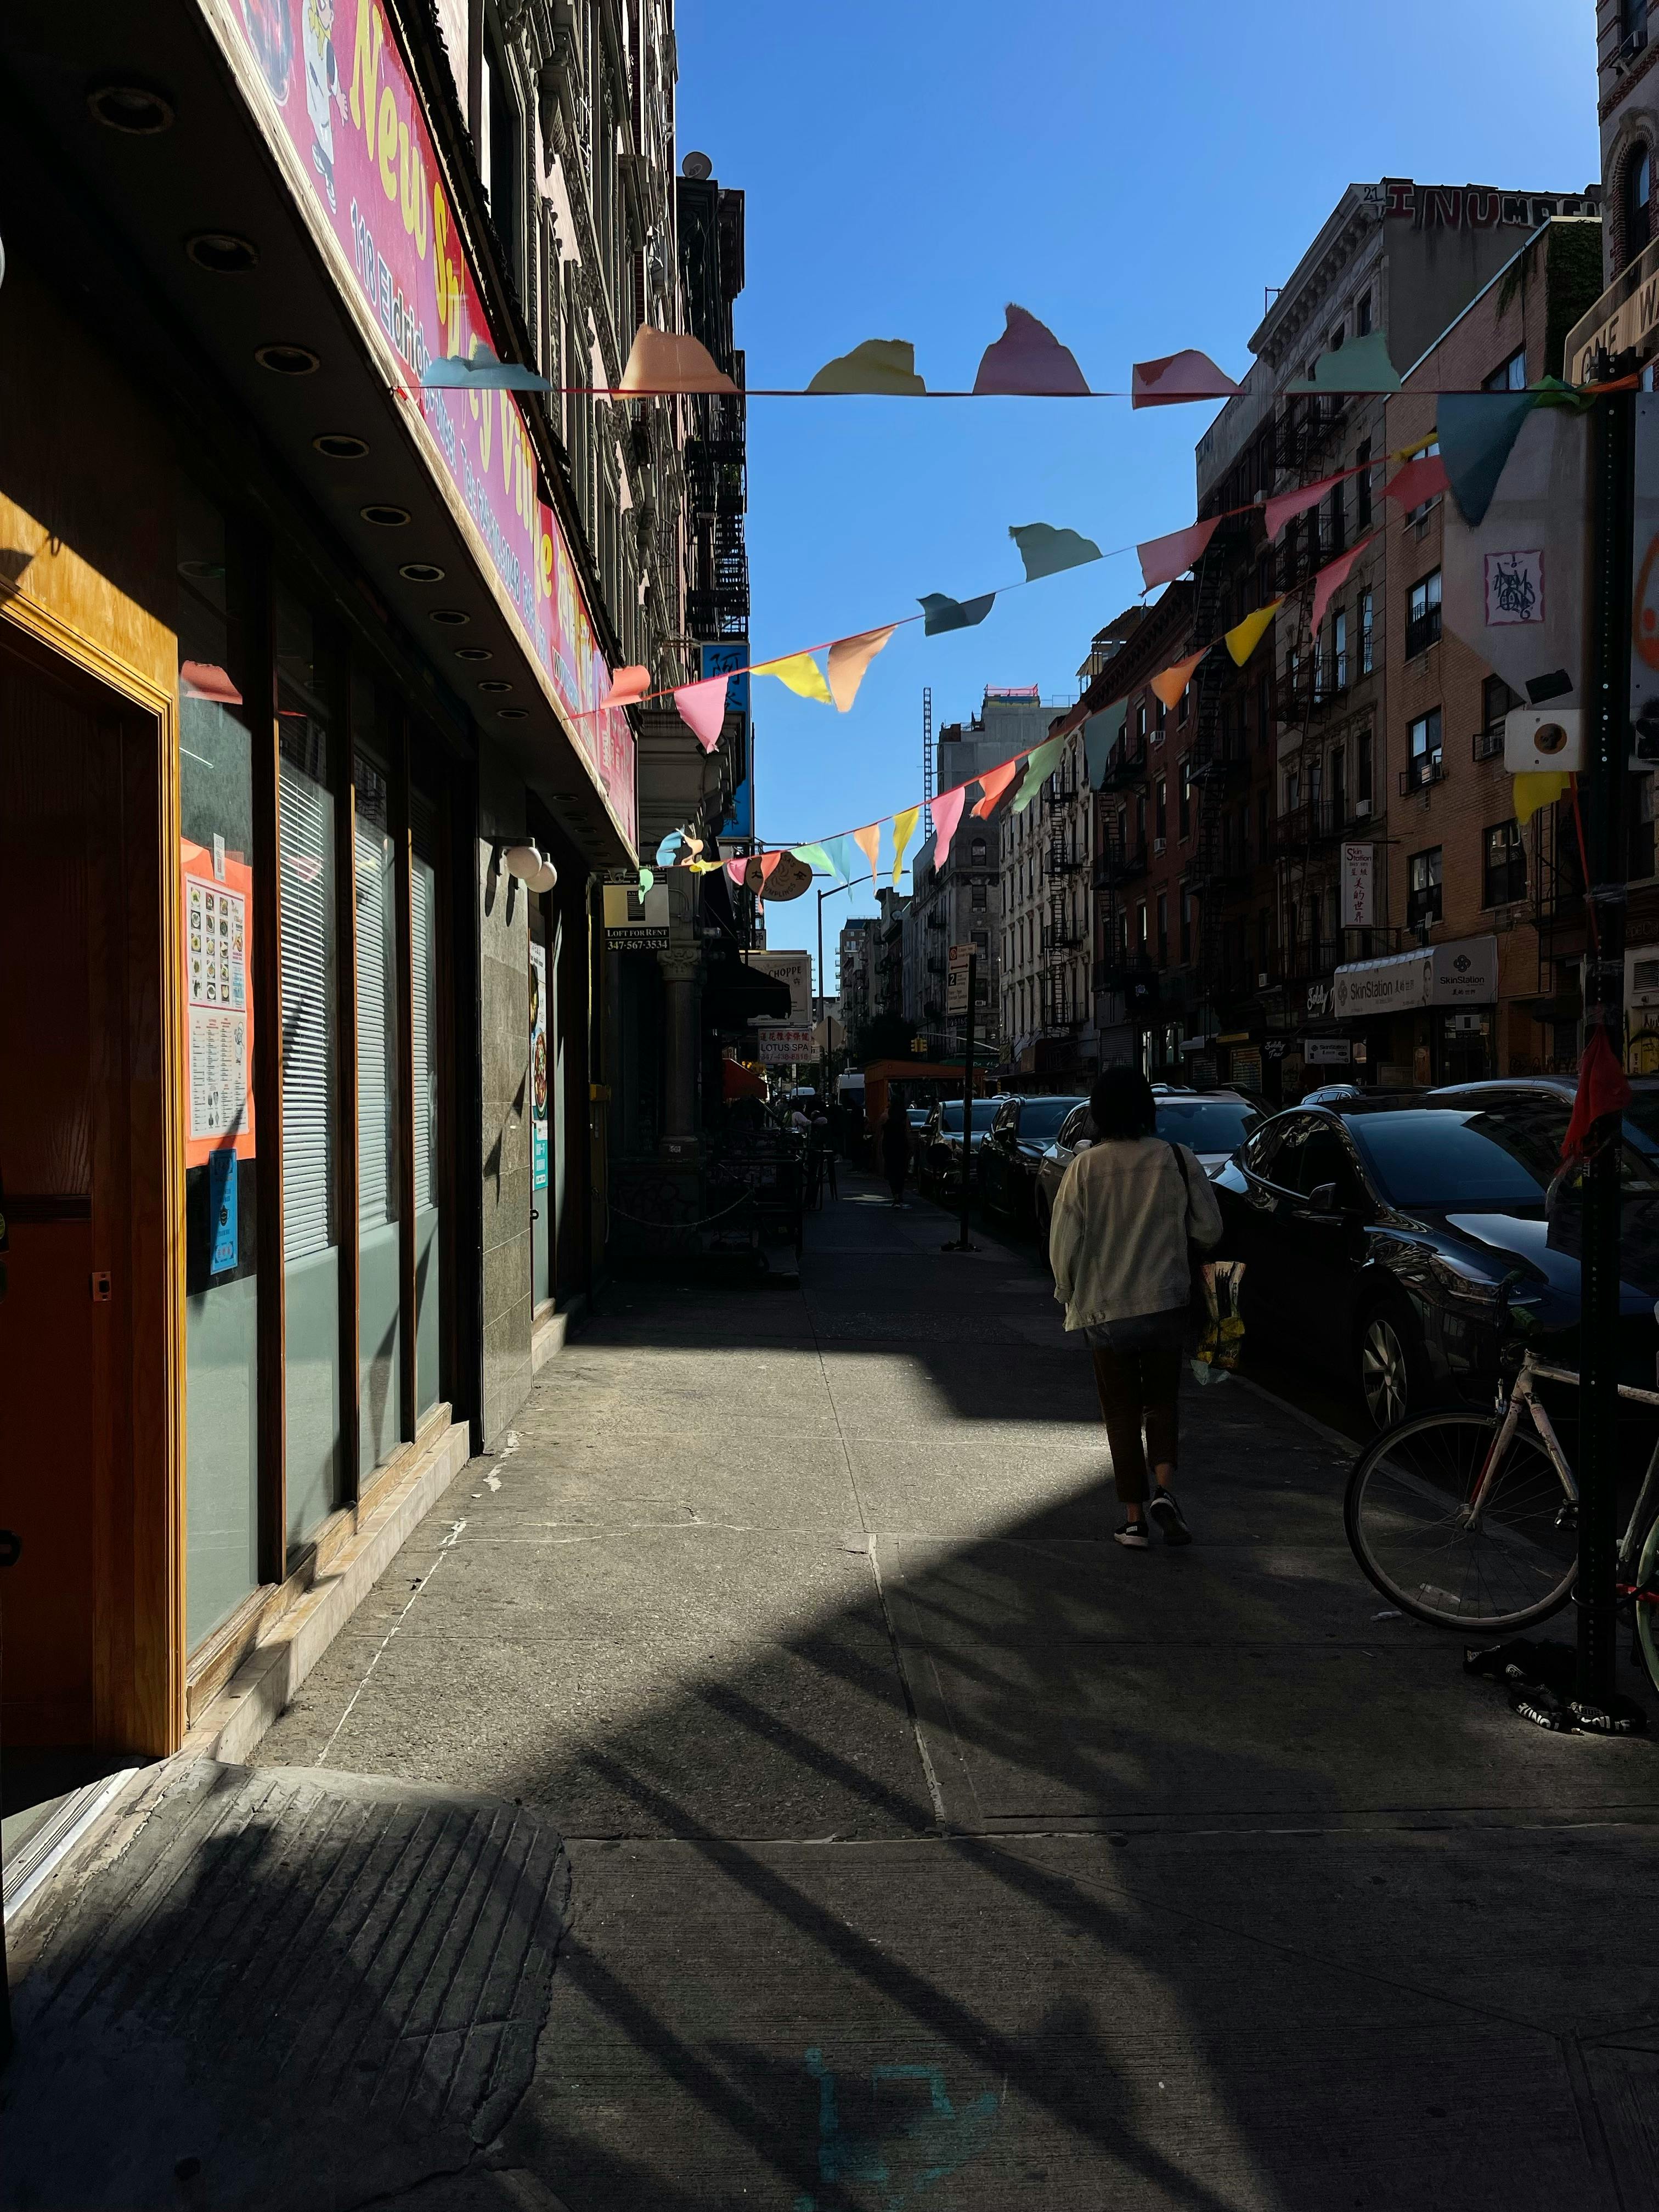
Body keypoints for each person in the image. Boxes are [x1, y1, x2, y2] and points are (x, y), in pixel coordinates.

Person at [1048, 1064, 1222, 1549]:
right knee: (1162, 1402)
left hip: (1106, 1311)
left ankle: (1134, 1519)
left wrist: (1066, 1290)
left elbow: (1064, 1242)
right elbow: (1209, 1230)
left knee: (1121, 1412)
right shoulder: (1178, 1158)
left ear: (1099, 1113)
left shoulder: (1085, 1167)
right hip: (1166, 1303)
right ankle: (1166, 1489)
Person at [878, 1087, 912, 1206]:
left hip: (889, 1145)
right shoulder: (904, 1116)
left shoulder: (886, 1116)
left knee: (891, 1170)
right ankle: (900, 1193)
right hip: (901, 1145)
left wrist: (879, 1149)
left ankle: (895, 1194)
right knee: (901, 1171)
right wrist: (911, 1147)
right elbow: (908, 1132)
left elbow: (881, 1134)